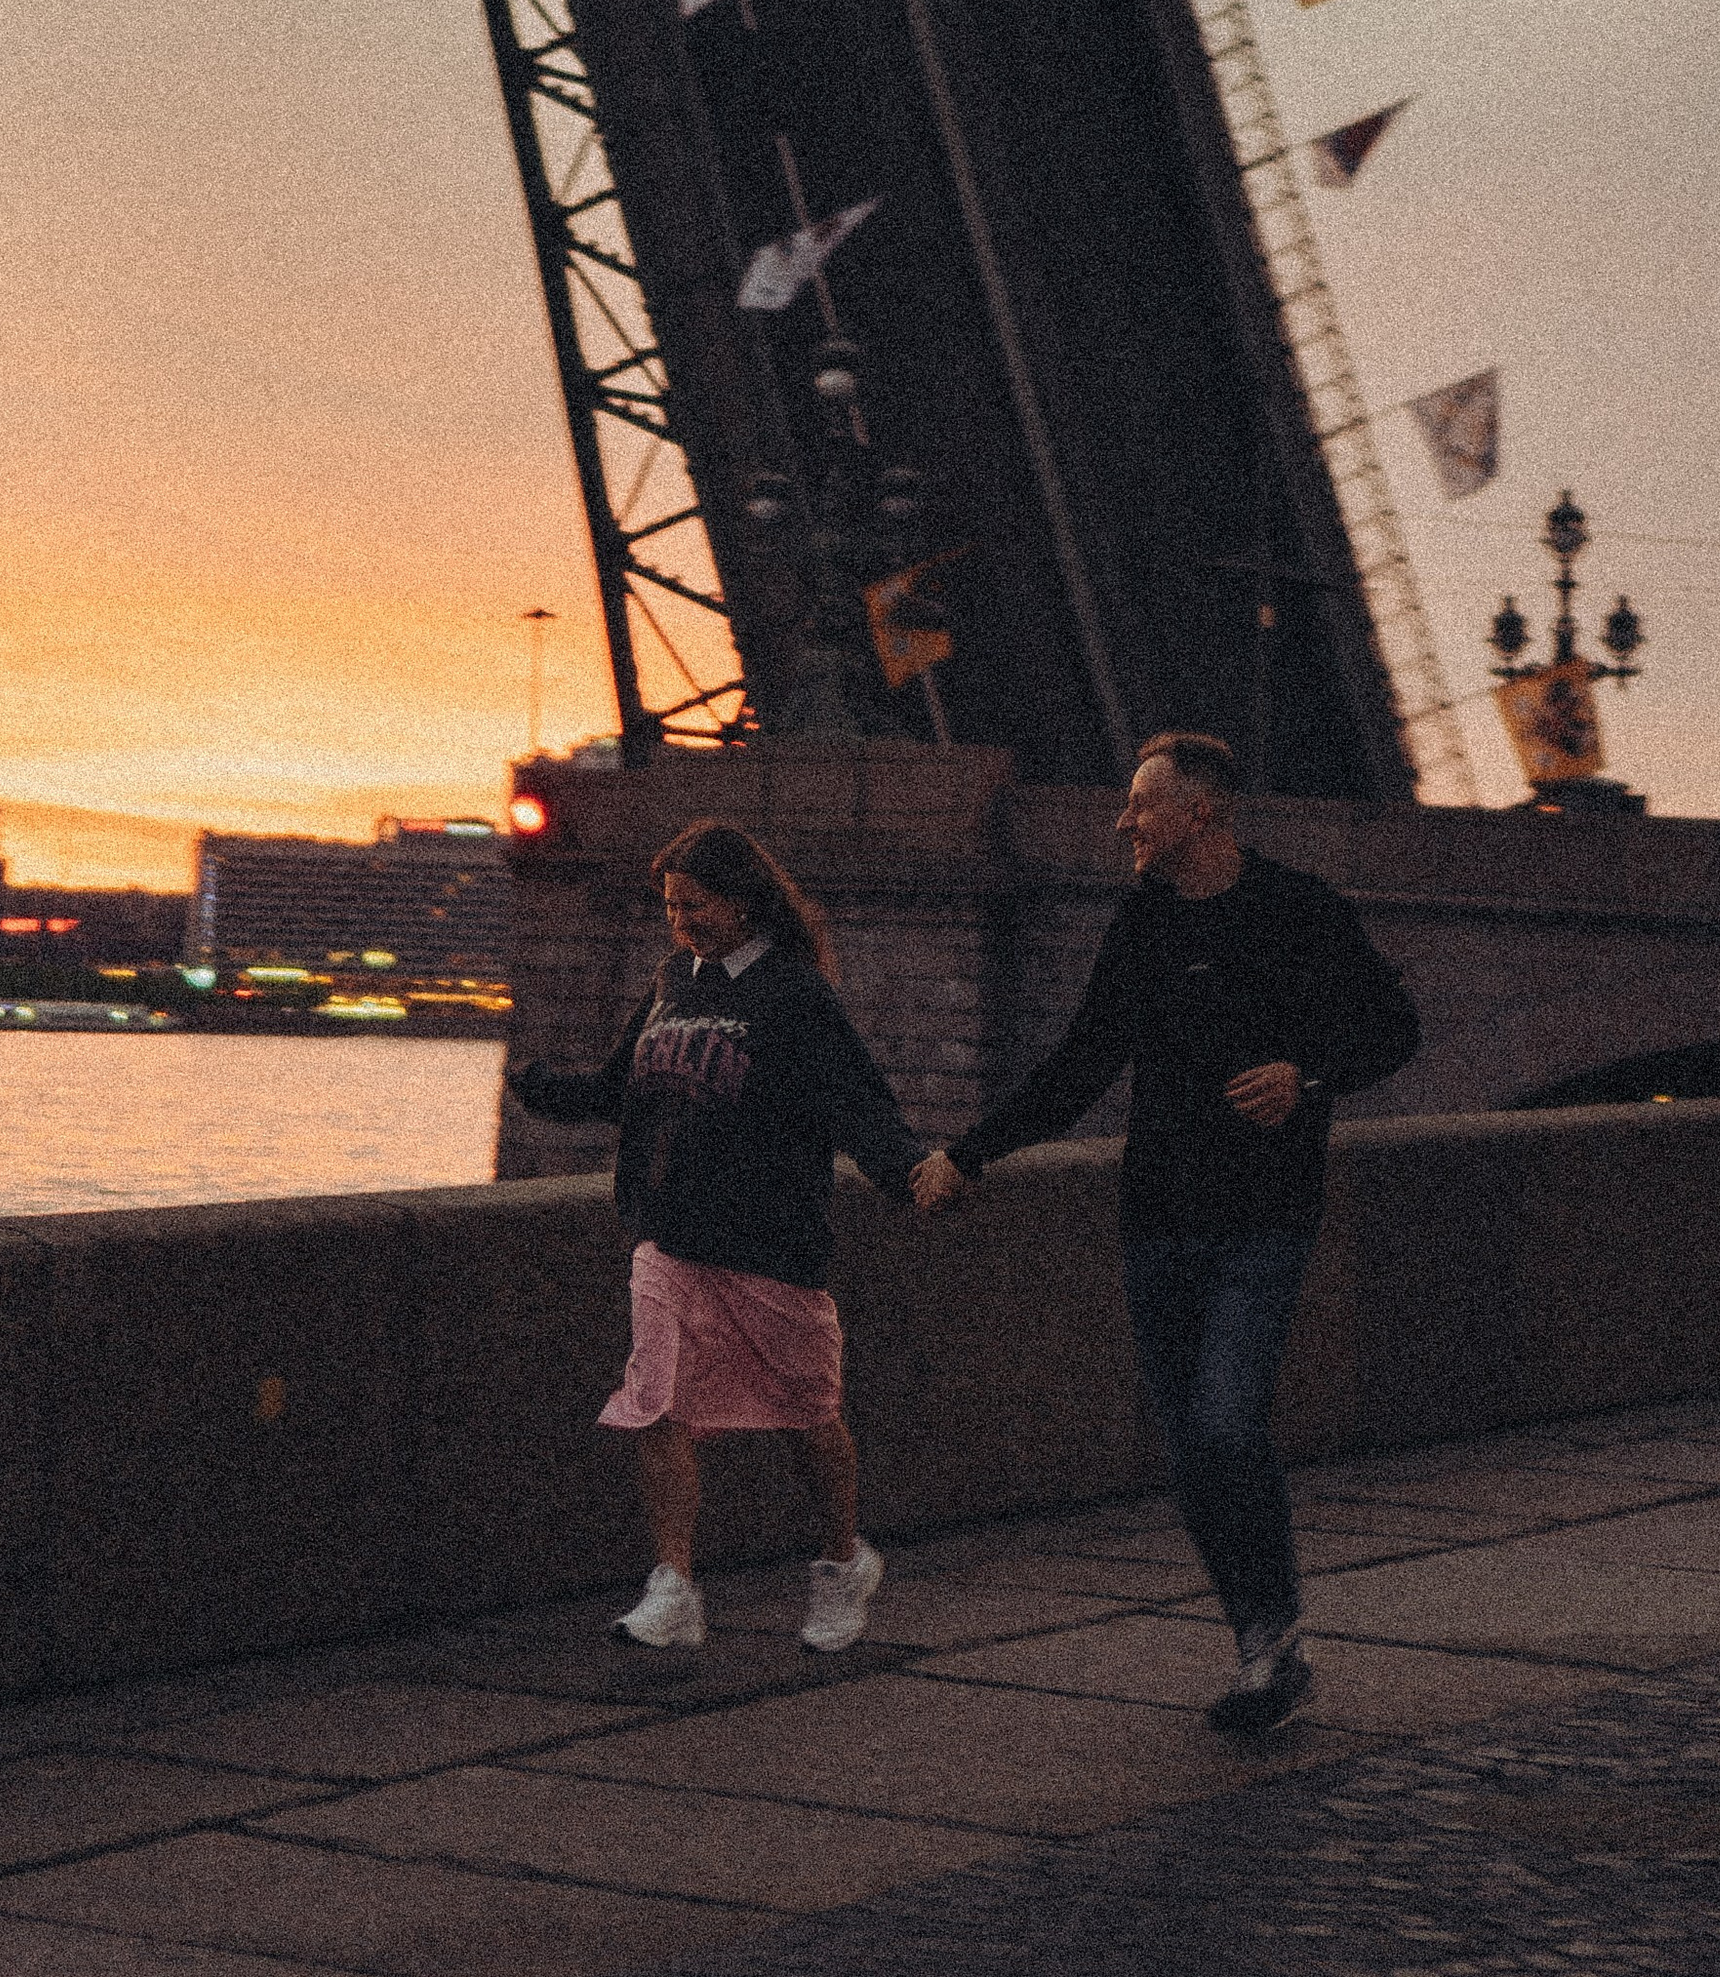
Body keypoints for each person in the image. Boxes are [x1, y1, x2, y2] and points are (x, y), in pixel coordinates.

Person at [913, 730, 1419, 1736]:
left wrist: (1305, 1074)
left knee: (1229, 1423)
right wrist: (969, 1153)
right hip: (1158, 1220)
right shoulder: (1140, 923)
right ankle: (1262, 1647)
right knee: (1193, 1449)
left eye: (1141, 804)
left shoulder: (1298, 910)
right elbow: (1081, 1063)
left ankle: (1272, 1634)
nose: (1122, 820)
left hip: (1262, 1220)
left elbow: (1392, 1027)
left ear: (1200, 814)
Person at [511, 818, 928, 1655]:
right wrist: (543, 1087)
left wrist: (915, 1174)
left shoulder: (795, 994)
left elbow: (860, 1103)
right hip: (670, 1236)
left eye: (694, 904)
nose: (681, 921)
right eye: (670, 906)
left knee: (809, 1416)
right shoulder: (676, 979)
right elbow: (621, 1086)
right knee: (655, 1406)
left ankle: (844, 1562)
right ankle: (673, 1588)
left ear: (743, 903)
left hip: (769, 1244)